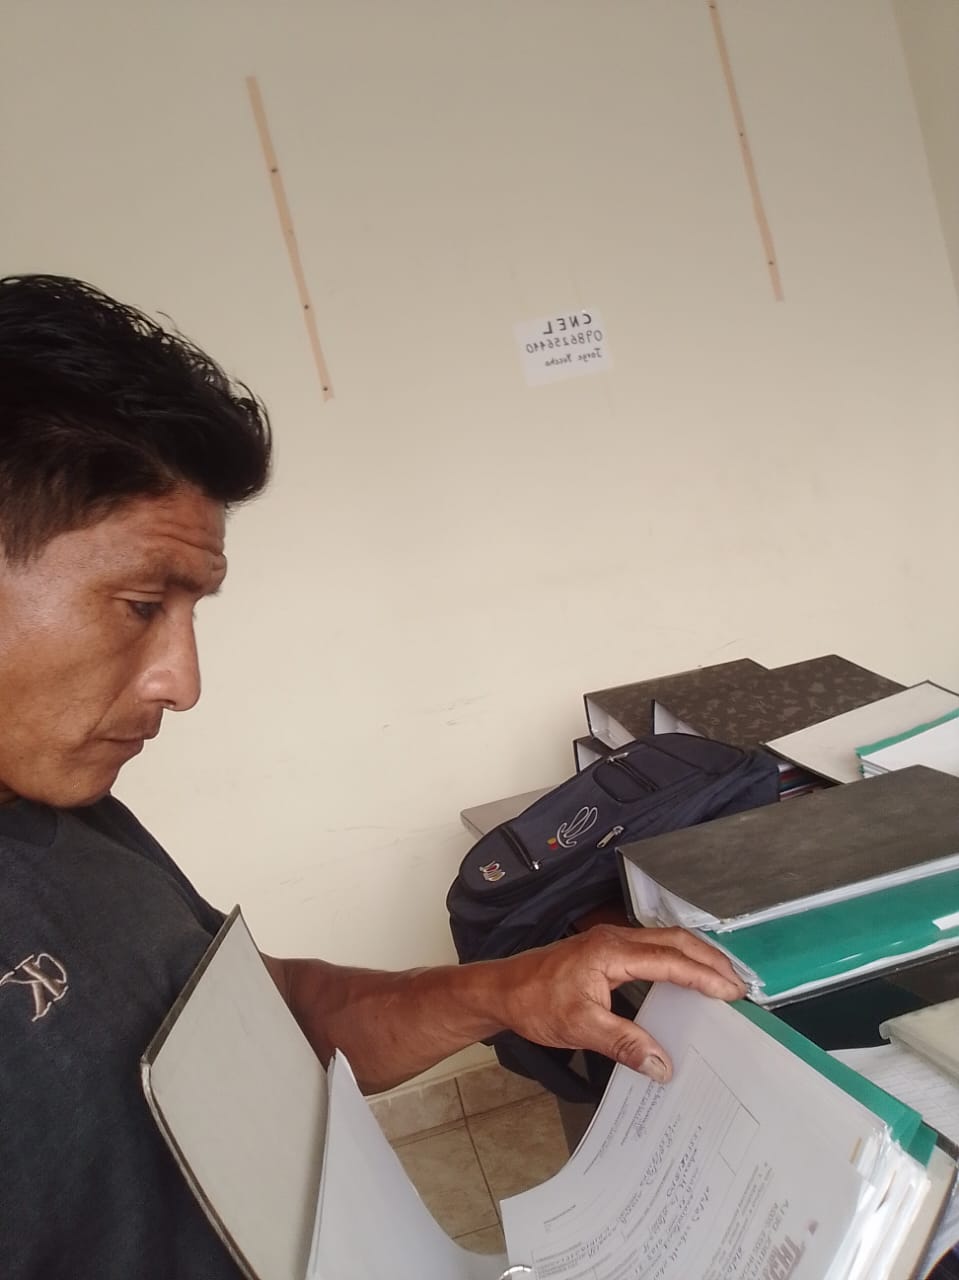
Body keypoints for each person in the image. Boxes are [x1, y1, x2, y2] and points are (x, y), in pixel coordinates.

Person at [0, 274, 744, 1279]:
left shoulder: (71, 820)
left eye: (190, 611)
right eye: (140, 605)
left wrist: (510, 988)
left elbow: (264, 1025)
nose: (183, 681)